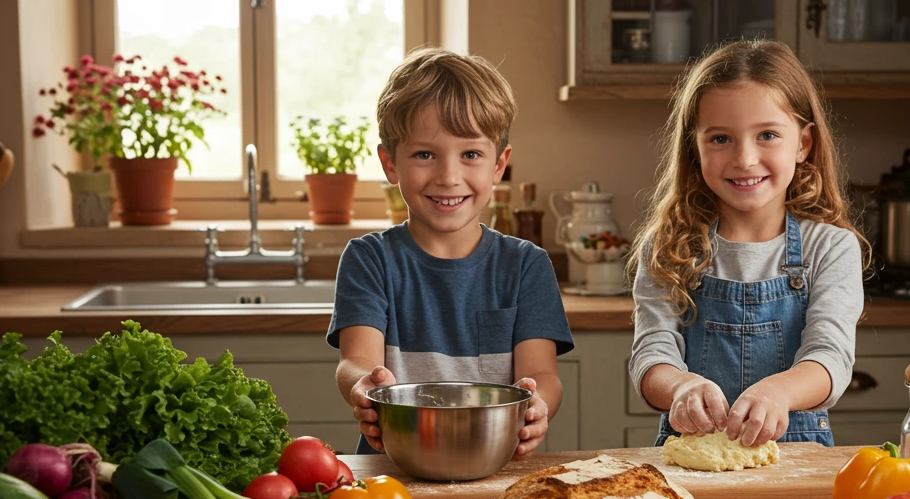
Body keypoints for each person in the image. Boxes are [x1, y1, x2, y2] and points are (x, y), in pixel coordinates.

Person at [330, 47, 573, 457]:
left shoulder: (526, 265)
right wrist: (363, 384)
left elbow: (542, 374)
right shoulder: (369, 260)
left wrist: (538, 405)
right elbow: (355, 361)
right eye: (425, 155)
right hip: (388, 466)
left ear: (499, 166)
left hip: (495, 462)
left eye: (471, 155)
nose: (448, 176)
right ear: (390, 164)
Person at [629, 39, 867, 449]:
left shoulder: (830, 248)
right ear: (695, 147)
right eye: (720, 139)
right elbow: (651, 356)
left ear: (803, 144)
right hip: (692, 457)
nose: (744, 159)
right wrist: (680, 388)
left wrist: (778, 392)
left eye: (768, 135)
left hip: (797, 457)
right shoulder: (668, 247)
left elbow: (830, 357)